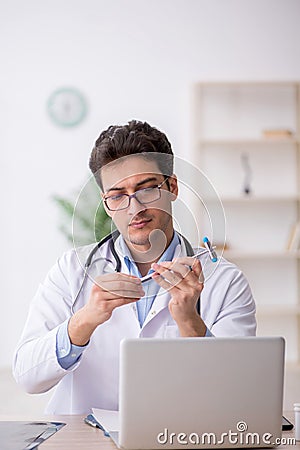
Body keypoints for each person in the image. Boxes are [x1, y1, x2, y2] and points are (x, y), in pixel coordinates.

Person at [13, 120, 256, 414]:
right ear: (106, 204)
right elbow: (27, 377)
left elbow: (240, 394)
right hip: (84, 442)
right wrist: (85, 321)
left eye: (147, 189)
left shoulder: (224, 281)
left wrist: (190, 322)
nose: (135, 208)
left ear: (173, 187)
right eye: (117, 196)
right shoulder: (72, 270)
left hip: (180, 438)